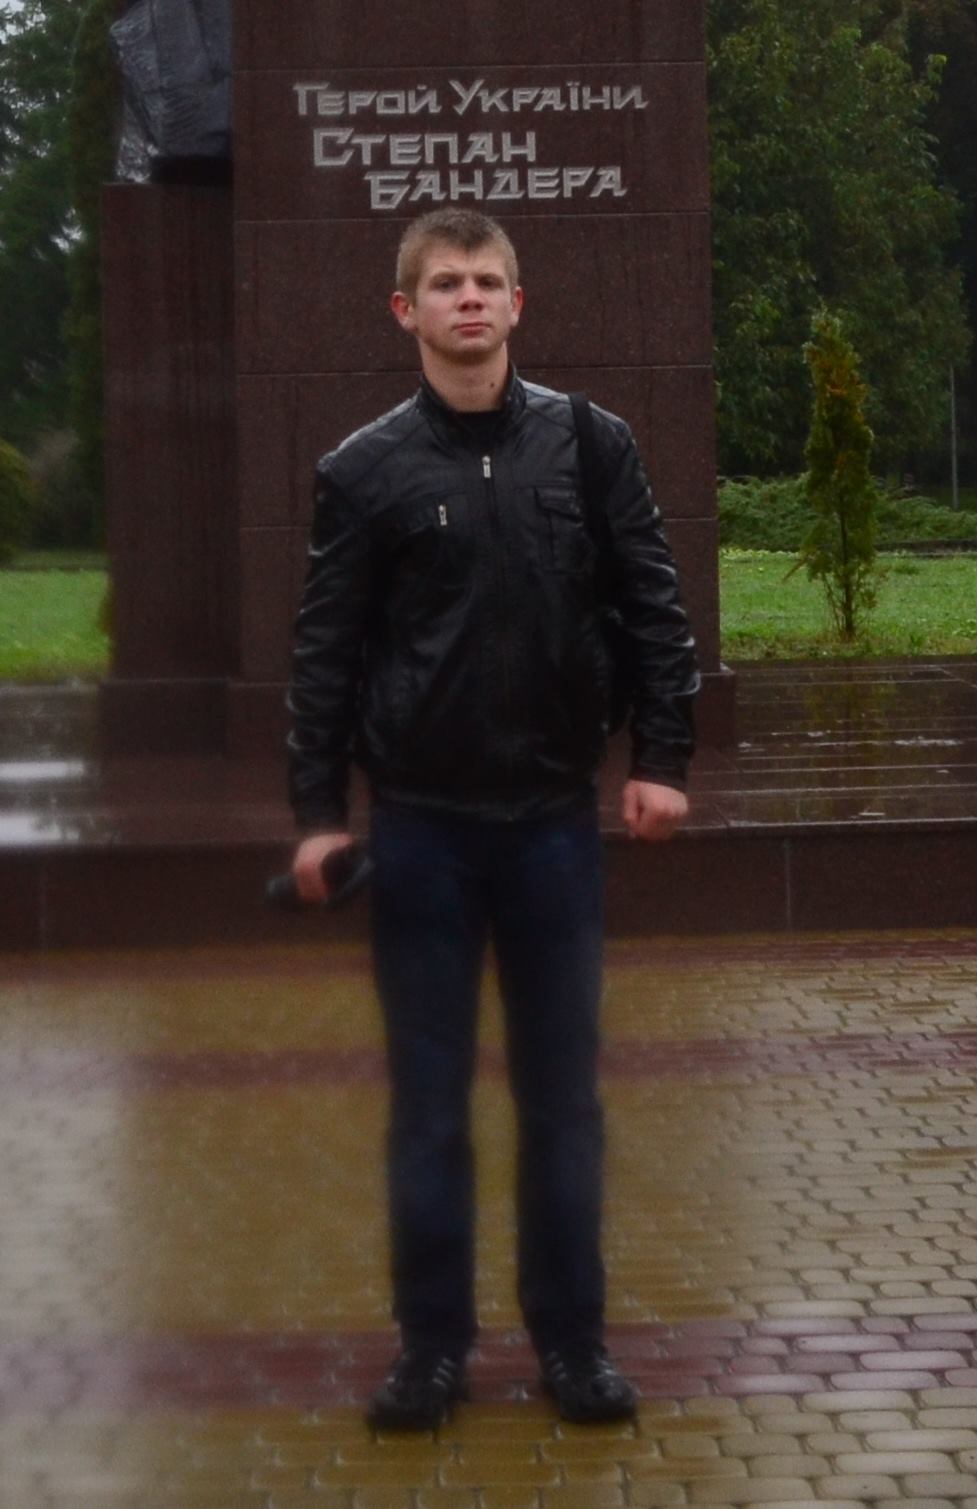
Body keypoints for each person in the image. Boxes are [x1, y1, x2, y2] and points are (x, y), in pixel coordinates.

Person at [287, 208, 698, 1430]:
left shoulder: (592, 446)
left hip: (550, 828)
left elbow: (653, 608)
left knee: (561, 1104)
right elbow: (325, 654)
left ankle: (572, 1344)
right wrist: (317, 813)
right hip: (420, 831)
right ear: (403, 310)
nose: (467, 299)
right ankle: (431, 1352)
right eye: (443, 283)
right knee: (427, 1109)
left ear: (517, 303)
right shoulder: (362, 471)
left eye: (485, 281)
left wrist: (659, 758)